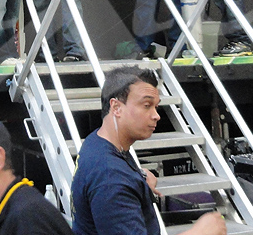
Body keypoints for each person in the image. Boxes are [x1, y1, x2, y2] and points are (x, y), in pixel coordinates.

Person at [71, 67, 227, 235]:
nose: (156, 115)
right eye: (146, 105)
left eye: (156, 107)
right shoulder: (111, 178)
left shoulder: (96, 142)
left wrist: (138, 177)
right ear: (116, 107)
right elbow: (112, 181)